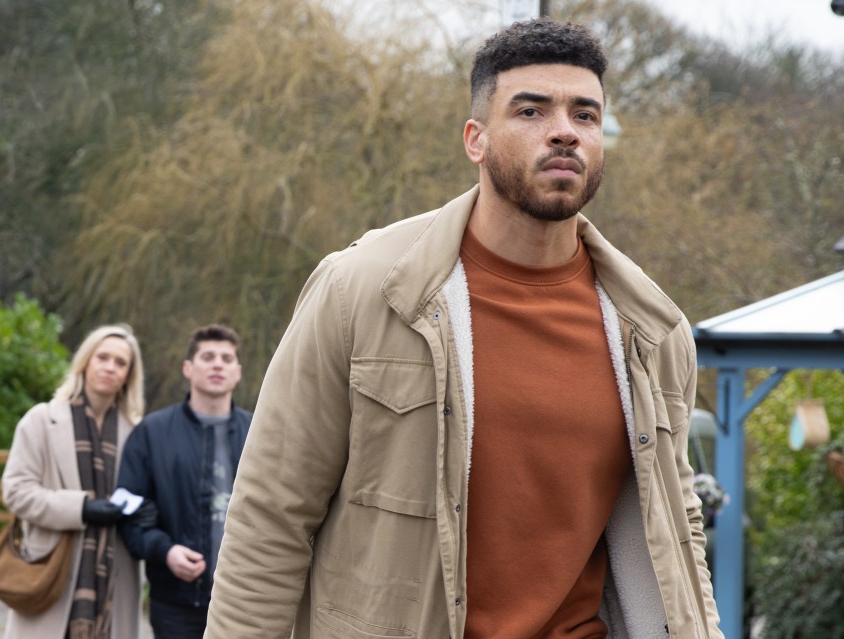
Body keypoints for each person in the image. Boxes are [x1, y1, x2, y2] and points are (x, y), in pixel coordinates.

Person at [204, 17, 723, 639]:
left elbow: (677, 522)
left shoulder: (653, 330)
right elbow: (270, 514)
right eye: (531, 111)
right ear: (475, 139)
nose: (564, 131)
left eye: (585, 115)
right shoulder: (363, 289)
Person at [1, 323, 145, 639]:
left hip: (114, 576)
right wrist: (81, 508)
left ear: (129, 376)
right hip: (52, 570)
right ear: (85, 362)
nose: (110, 367)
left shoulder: (137, 433)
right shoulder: (41, 419)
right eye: (102, 357)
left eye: (121, 363)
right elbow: (16, 490)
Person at [117, 324, 252, 639]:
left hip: (246, 600)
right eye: (208, 356)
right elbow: (129, 510)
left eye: (226, 358)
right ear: (188, 369)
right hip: (176, 602)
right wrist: (165, 551)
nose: (218, 364)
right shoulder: (151, 433)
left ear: (238, 372)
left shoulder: (259, 433)